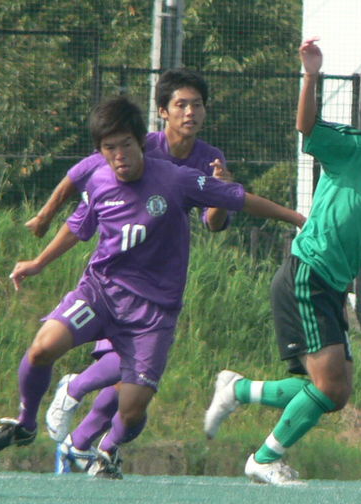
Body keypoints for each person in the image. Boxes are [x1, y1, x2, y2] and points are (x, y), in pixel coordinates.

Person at [0, 95, 305, 479]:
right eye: (109, 148)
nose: (119, 156)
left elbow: (240, 198)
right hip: (100, 292)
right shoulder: (99, 180)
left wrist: (299, 218)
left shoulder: (176, 179)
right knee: (41, 348)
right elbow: (79, 226)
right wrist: (37, 263)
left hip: (153, 313)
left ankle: (109, 449)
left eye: (126, 146)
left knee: (131, 410)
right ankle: (25, 423)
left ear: (141, 142)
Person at [202, 38, 361, 485]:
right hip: (307, 273)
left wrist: (346, 288)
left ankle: (238, 389)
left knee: (334, 394)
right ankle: (263, 458)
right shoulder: (359, 150)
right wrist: (312, 75)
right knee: (330, 386)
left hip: (331, 287)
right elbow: (308, 128)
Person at [40, 70, 236, 462]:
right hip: (116, 281)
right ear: (163, 111)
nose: (190, 112)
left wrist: (222, 193)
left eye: (197, 104)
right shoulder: (137, 146)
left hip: (161, 285)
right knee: (122, 368)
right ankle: (75, 395)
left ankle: (84, 447)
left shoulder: (210, 159)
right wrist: (45, 216)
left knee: (130, 390)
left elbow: (214, 224)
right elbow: (80, 173)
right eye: (181, 104)